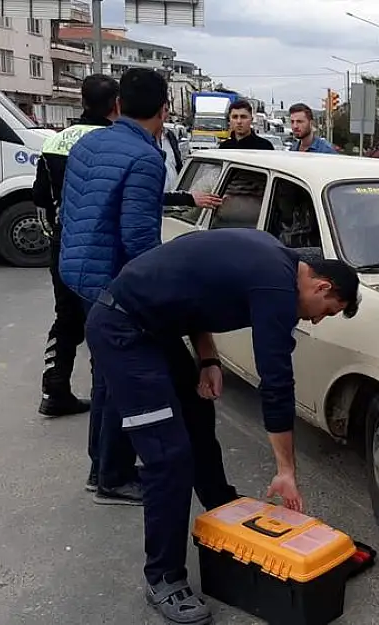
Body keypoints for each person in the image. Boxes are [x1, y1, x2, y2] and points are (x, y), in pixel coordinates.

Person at [84, 228, 359, 624]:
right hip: (124, 331)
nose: (316, 320)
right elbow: (276, 382)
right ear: (321, 286)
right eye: (326, 310)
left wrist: (208, 359)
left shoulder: (269, 255)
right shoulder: (276, 289)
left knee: (198, 415)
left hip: (153, 326)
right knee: (169, 457)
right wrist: (286, 471)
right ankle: (163, 578)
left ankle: (223, 508)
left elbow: (194, 291)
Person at [59, 68, 231, 509]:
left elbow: (90, 204)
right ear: (164, 109)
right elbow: (139, 239)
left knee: (106, 373)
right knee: (126, 375)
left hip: (76, 271)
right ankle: (112, 478)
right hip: (112, 281)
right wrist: (161, 295)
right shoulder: (145, 157)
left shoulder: (87, 142)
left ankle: (103, 468)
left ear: (118, 106)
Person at [33, 74, 118, 419]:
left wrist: (54, 232)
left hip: (62, 242)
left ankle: (55, 388)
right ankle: (108, 395)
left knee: (66, 316)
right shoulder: (113, 142)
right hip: (100, 245)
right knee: (106, 316)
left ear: (82, 102)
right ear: (116, 104)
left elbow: (40, 197)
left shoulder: (55, 142)